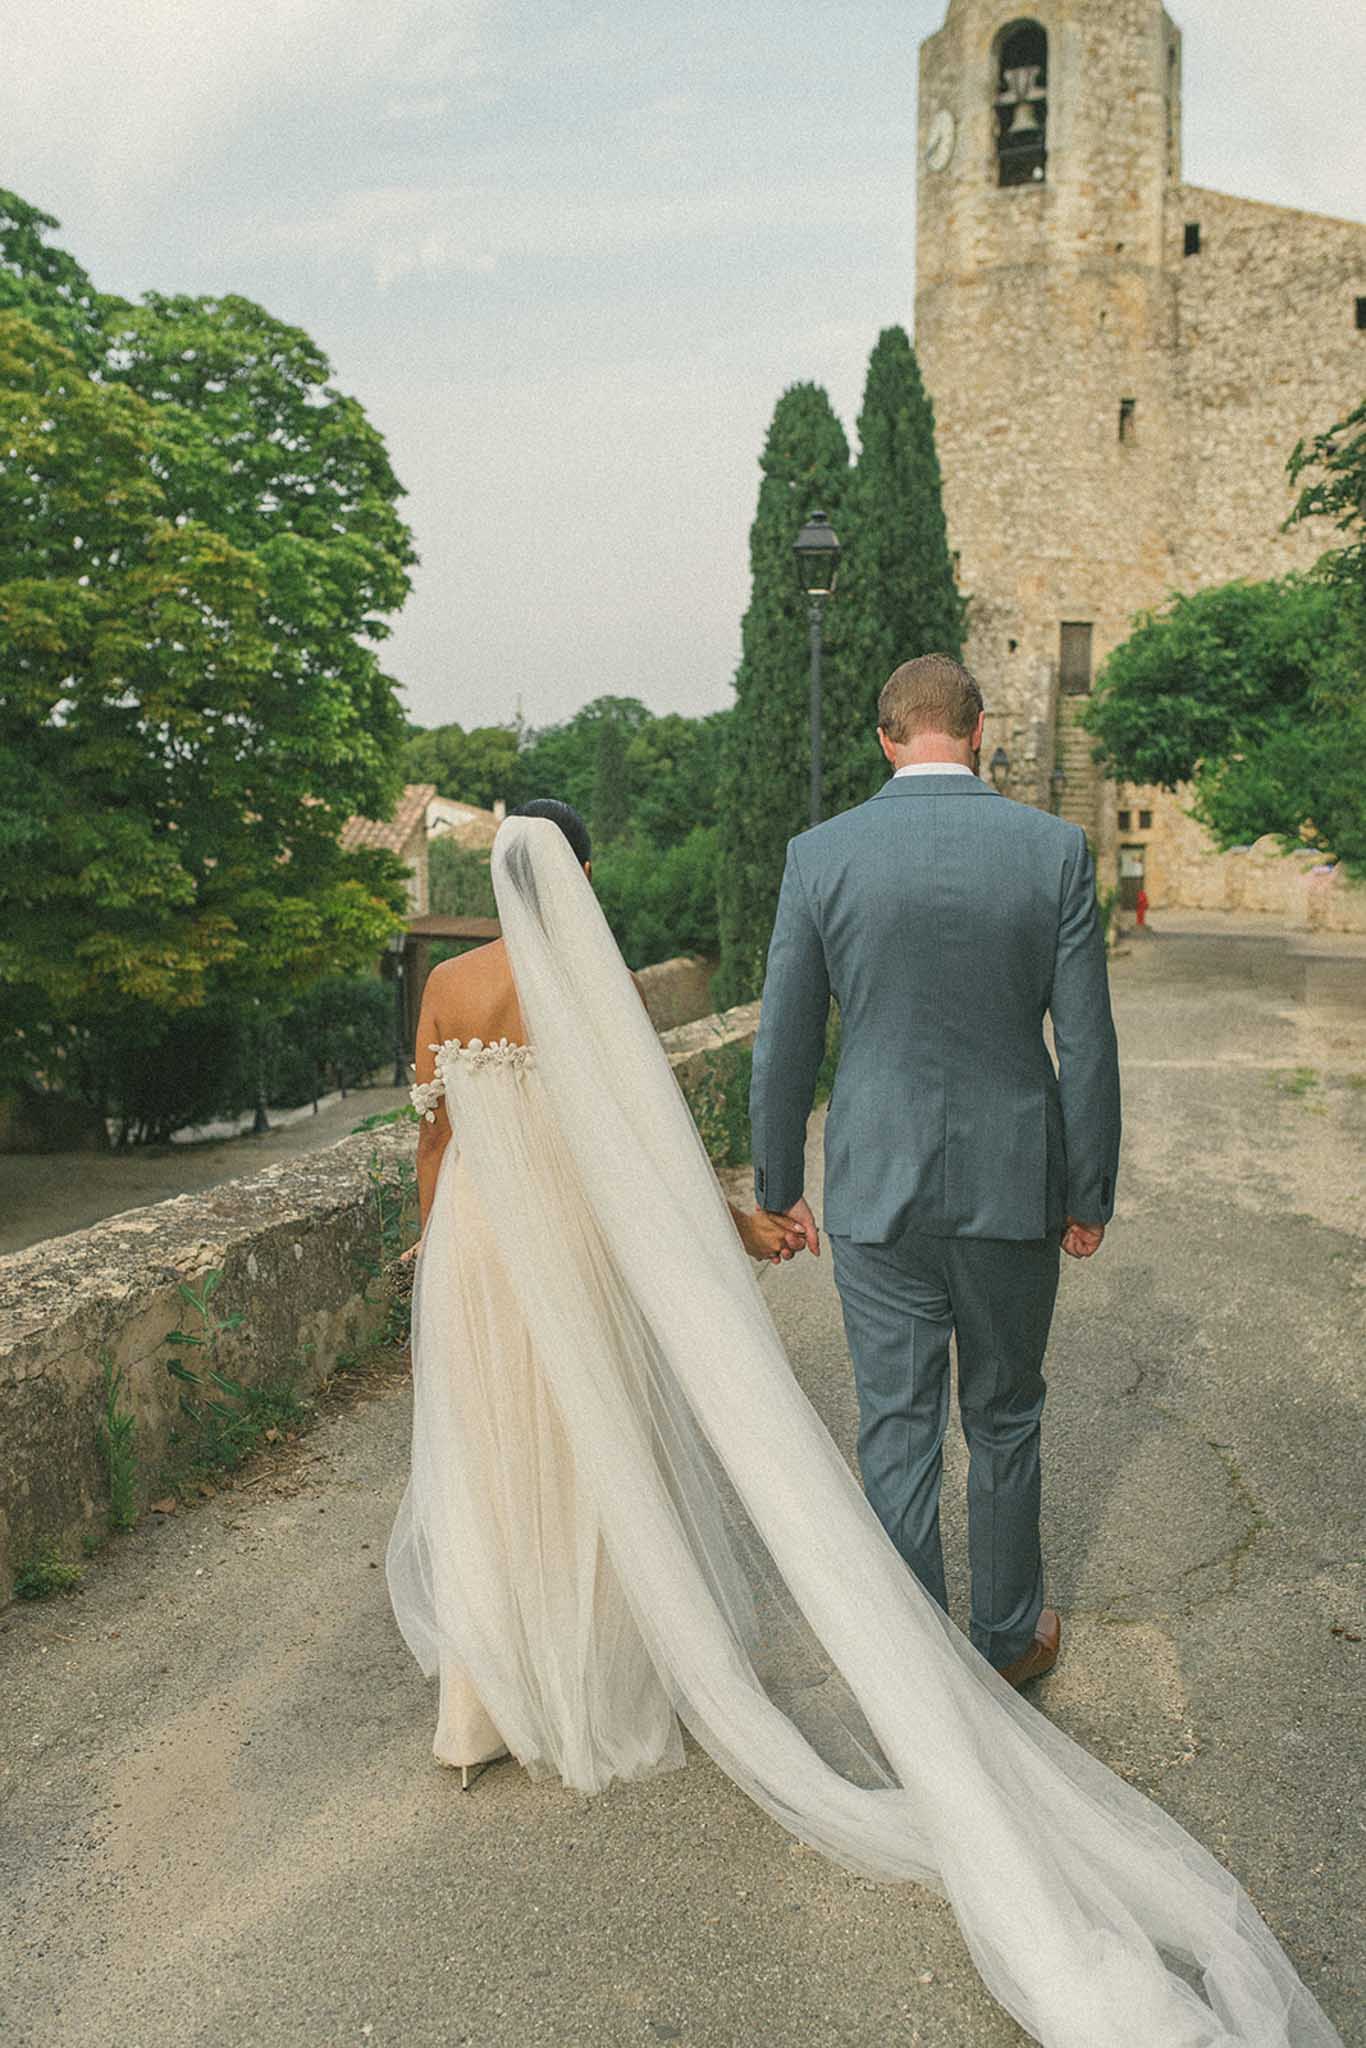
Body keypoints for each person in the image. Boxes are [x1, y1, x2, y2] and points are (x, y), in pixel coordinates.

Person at [385, 786, 1340, 2048]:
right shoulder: (593, 974)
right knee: (627, 1455)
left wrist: (433, 1246)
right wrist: (759, 1217)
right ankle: (935, 1650)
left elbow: (441, 1140)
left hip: (481, 1258)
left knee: (500, 1466)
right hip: (611, 1245)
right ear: (583, 870)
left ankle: (493, 1705)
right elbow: (644, 1145)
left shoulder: (454, 988)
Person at [749, 653, 1120, 1687]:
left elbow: (782, 1040)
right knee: (1005, 1415)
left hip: (874, 1188)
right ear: (978, 727)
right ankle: (1007, 1637)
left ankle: (914, 1665)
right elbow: (1086, 1041)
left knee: (896, 1424)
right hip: (1014, 1183)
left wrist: (778, 1182)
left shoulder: (821, 854)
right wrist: (1087, 1191)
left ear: (885, 735)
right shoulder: (1052, 849)